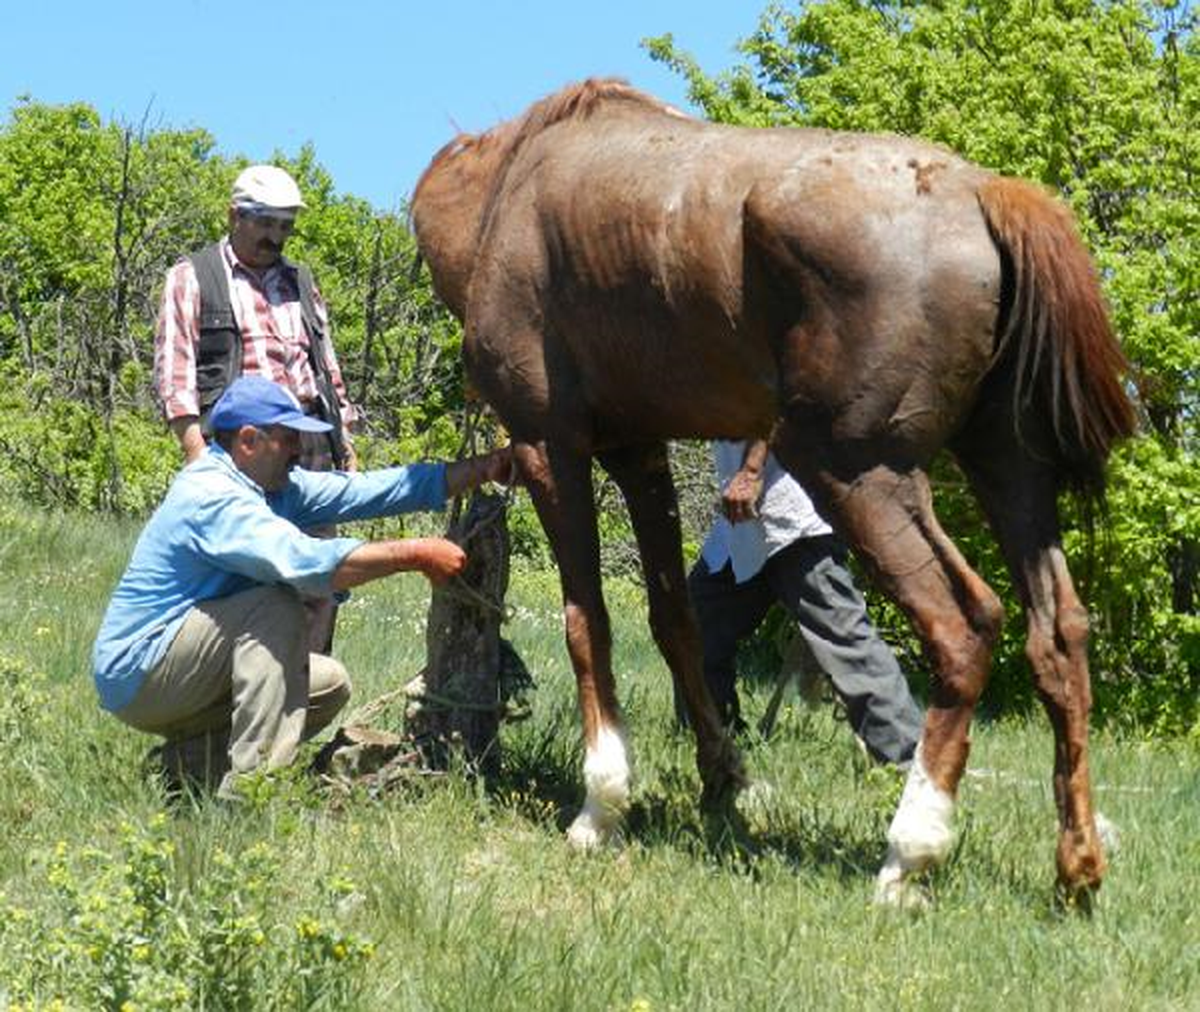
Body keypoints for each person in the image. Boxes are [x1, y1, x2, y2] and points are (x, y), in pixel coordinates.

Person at [92, 375, 513, 799]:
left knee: (327, 684)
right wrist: (415, 554)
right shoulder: (213, 495)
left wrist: (483, 468)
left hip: (179, 668)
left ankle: (185, 769)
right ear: (249, 440)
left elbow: (367, 491)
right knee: (276, 608)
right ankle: (251, 796)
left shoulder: (269, 485)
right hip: (141, 674)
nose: (298, 450)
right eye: (288, 438)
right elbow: (308, 562)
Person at [153, 163, 355, 652]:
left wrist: (344, 443)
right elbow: (175, 378)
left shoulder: (302, 282)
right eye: (265, 222)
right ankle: (236, 710)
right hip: (242, 453)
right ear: (234, 215)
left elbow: (327, 370)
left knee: (319, 580)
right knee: (249, 579)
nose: (275, 236)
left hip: (310, 448)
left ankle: (308, 700)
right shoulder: (193, 277)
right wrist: (199, 460)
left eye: (285, 225)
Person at [684, 439, 923, 766]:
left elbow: (778, 393)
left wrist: (752, 471)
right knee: (694, 624)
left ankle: (908, 764)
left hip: (794, 516)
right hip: (741, 524)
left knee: (843, 640)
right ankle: (716, 739)